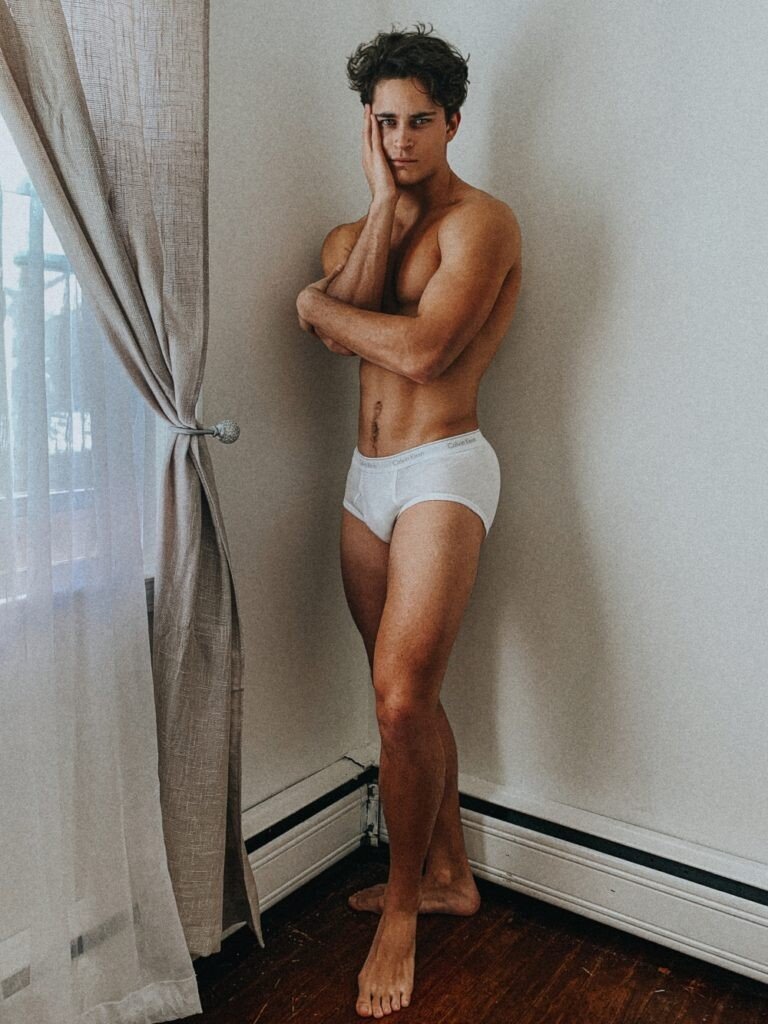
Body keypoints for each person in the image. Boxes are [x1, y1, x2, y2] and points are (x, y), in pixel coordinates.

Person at [295, 22, 522, 1019]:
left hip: (443, 468)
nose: (401, 140)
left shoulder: (484, 224)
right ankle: (451, 876)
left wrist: (315, 306)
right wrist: (381, 212)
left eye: (418, 121)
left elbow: (425, 353)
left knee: (397, 700)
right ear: (368, 126)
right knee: (405, 699)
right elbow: (340, 332)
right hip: (366, 481)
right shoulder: (356, 233)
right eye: (384, 122)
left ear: (453, 121)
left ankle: (401, 908)